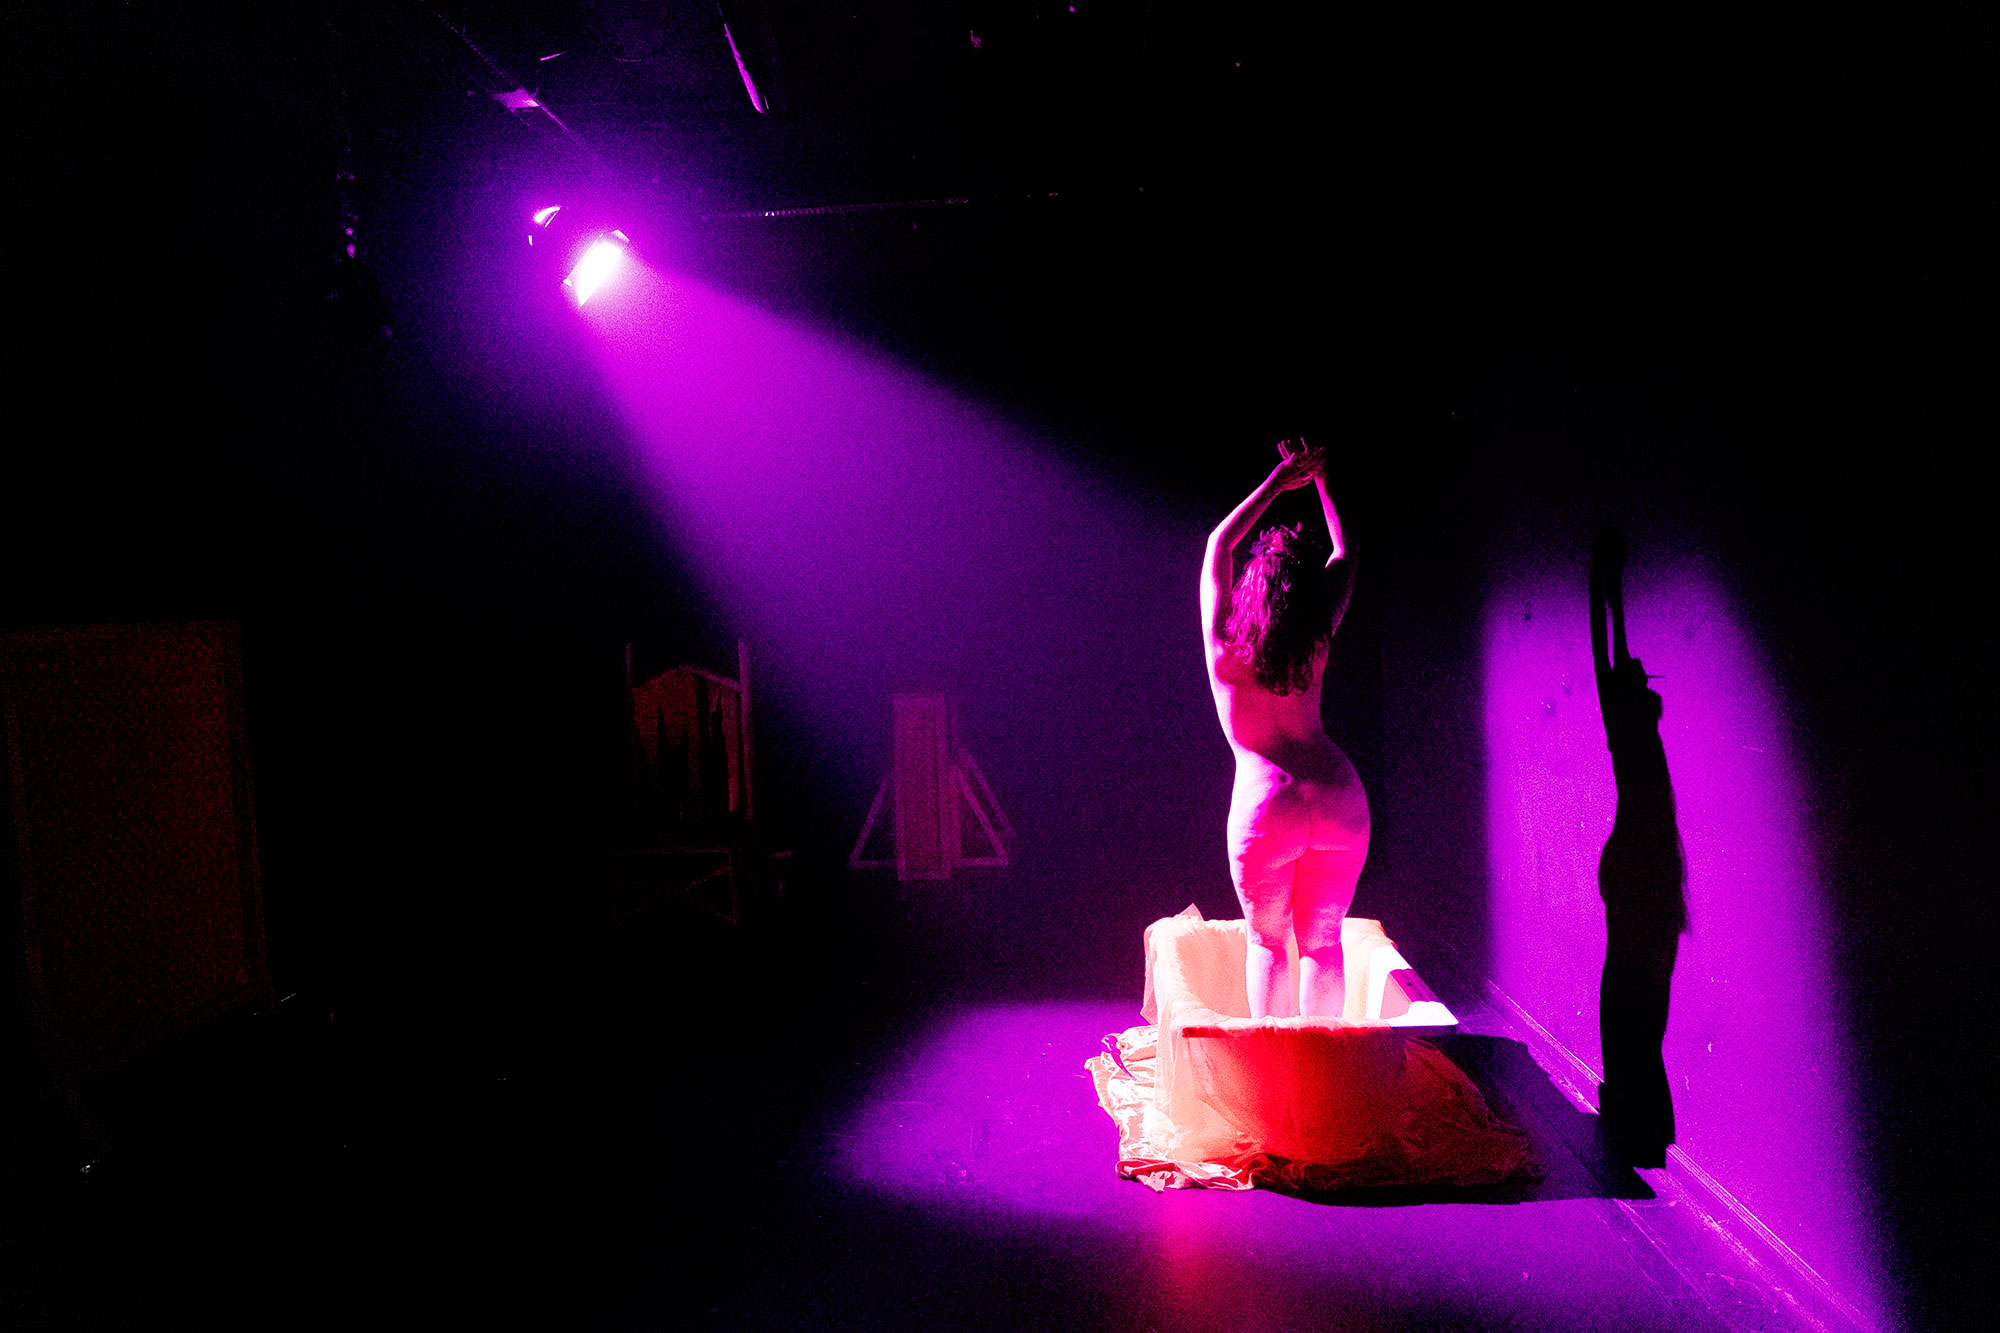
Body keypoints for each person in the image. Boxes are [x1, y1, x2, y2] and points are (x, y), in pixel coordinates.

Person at [1200, 440, 1366, 1019]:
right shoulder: (1315, 637)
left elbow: (1220, 544)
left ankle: (1276, 1075)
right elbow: (1345, 551)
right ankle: (1326, 1072)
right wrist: (1321, 479)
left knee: (1268, 944)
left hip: (1266, 805)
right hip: (1339, 795)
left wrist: (1280, 479)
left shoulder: (1224, 646)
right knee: (1323, 944)